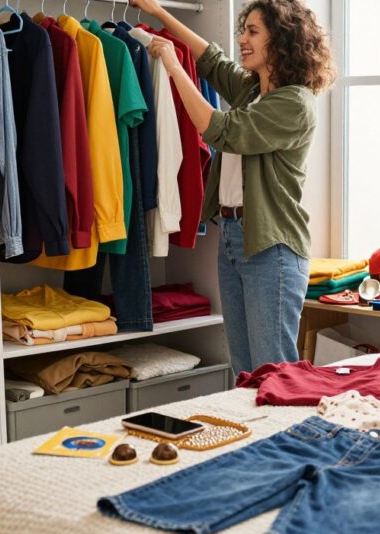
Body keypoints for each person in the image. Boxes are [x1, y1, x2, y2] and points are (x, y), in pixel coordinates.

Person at [129, 0, 335, 375]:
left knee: (273, 373)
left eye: (253, 32)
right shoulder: (253, 91)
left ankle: (282, 434)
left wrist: (174, 67)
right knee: (244, 371)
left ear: (283, 40)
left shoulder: (294, 103)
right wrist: (158, 12)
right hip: (234, 238)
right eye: (244, 30)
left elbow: (222, 130)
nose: (242, 39)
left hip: (271, 248)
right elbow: (212, 60)